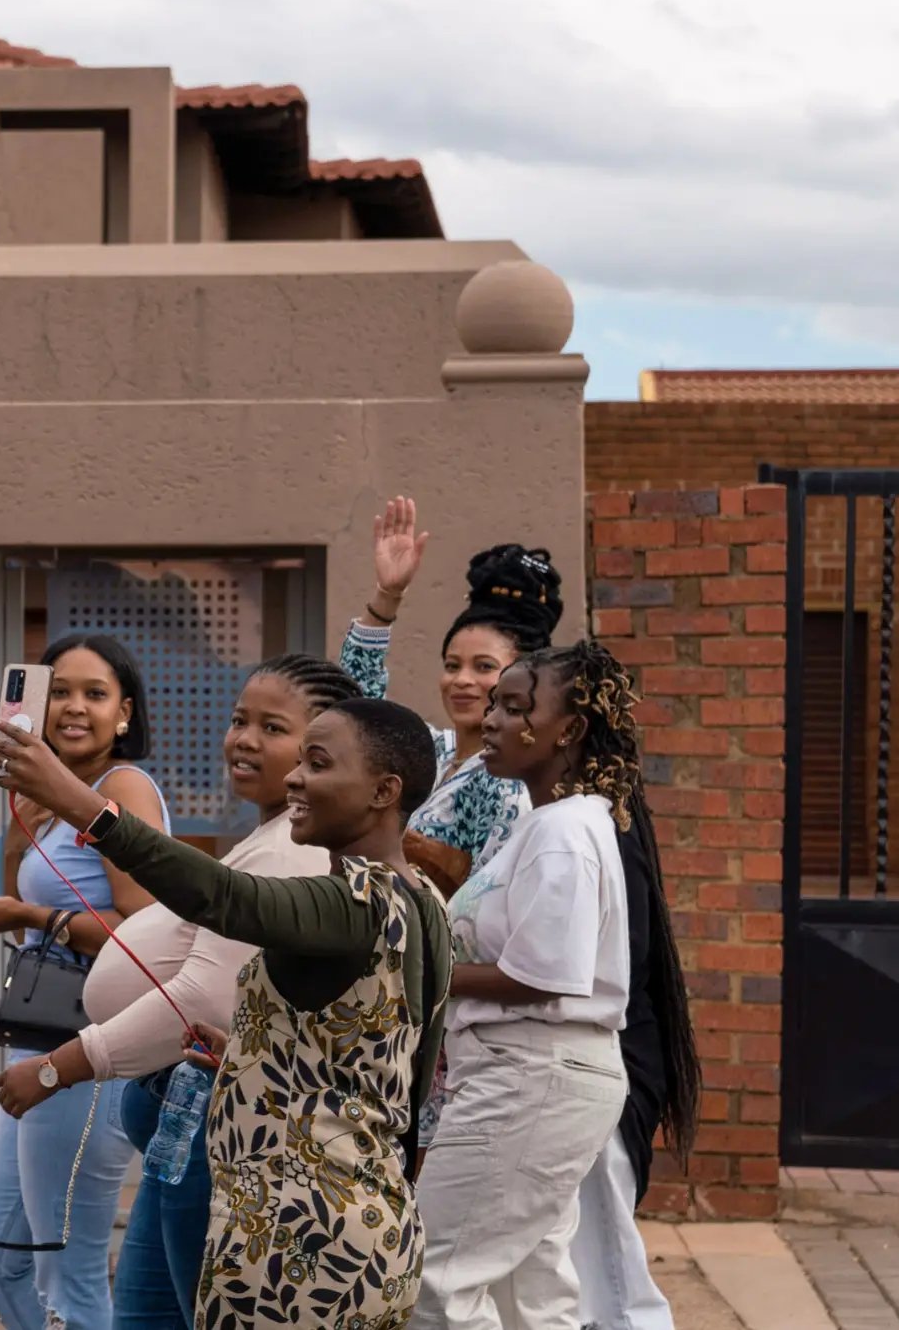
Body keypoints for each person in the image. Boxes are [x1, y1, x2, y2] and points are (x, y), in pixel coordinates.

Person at [0, 695, 452, 1330]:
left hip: (300, 1243)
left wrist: (75, 801)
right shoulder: (421, 899)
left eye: (316, 763)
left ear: (383, 791)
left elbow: (223, 897)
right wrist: (250, 1055)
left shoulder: (355, 902)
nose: (294, 776)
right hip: (363, 1222)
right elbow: (373, 1060)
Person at [409, 641, 647, 1330]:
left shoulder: (565, 833)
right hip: (530, 1076)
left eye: (516, 708)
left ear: (567, 731)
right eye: (495, 706)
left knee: (431, 1280)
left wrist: (416, 968)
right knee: (528, 1296)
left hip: (530, 1077)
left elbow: (542, 977)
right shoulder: (552, 824)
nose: (493, 720)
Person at [0, 633, 169, 1330]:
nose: (73, 707)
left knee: (68, 1268)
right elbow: (20, 917)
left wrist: (37, 913)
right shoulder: (46, 794)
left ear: (125, 713)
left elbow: (148, 929)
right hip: (37, 1032)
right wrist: (20, 820)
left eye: (94, 694)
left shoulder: (121, 789)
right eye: (58, 691)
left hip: (91, 1044)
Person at [567, 675, 701, 1330]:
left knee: (608, 1278)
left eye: (514, 702)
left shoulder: (589, 834)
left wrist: (448, 972)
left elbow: (589, 974)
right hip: (544, 1079)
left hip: (592, 1076)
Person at [342, 496, 562, 895]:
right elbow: (357, 711)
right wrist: (386, 598)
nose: (461, 680)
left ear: (522, 681)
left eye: (483, 667)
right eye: (451, 665)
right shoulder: (431, 750)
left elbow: (486, 907)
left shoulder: (506, 782)